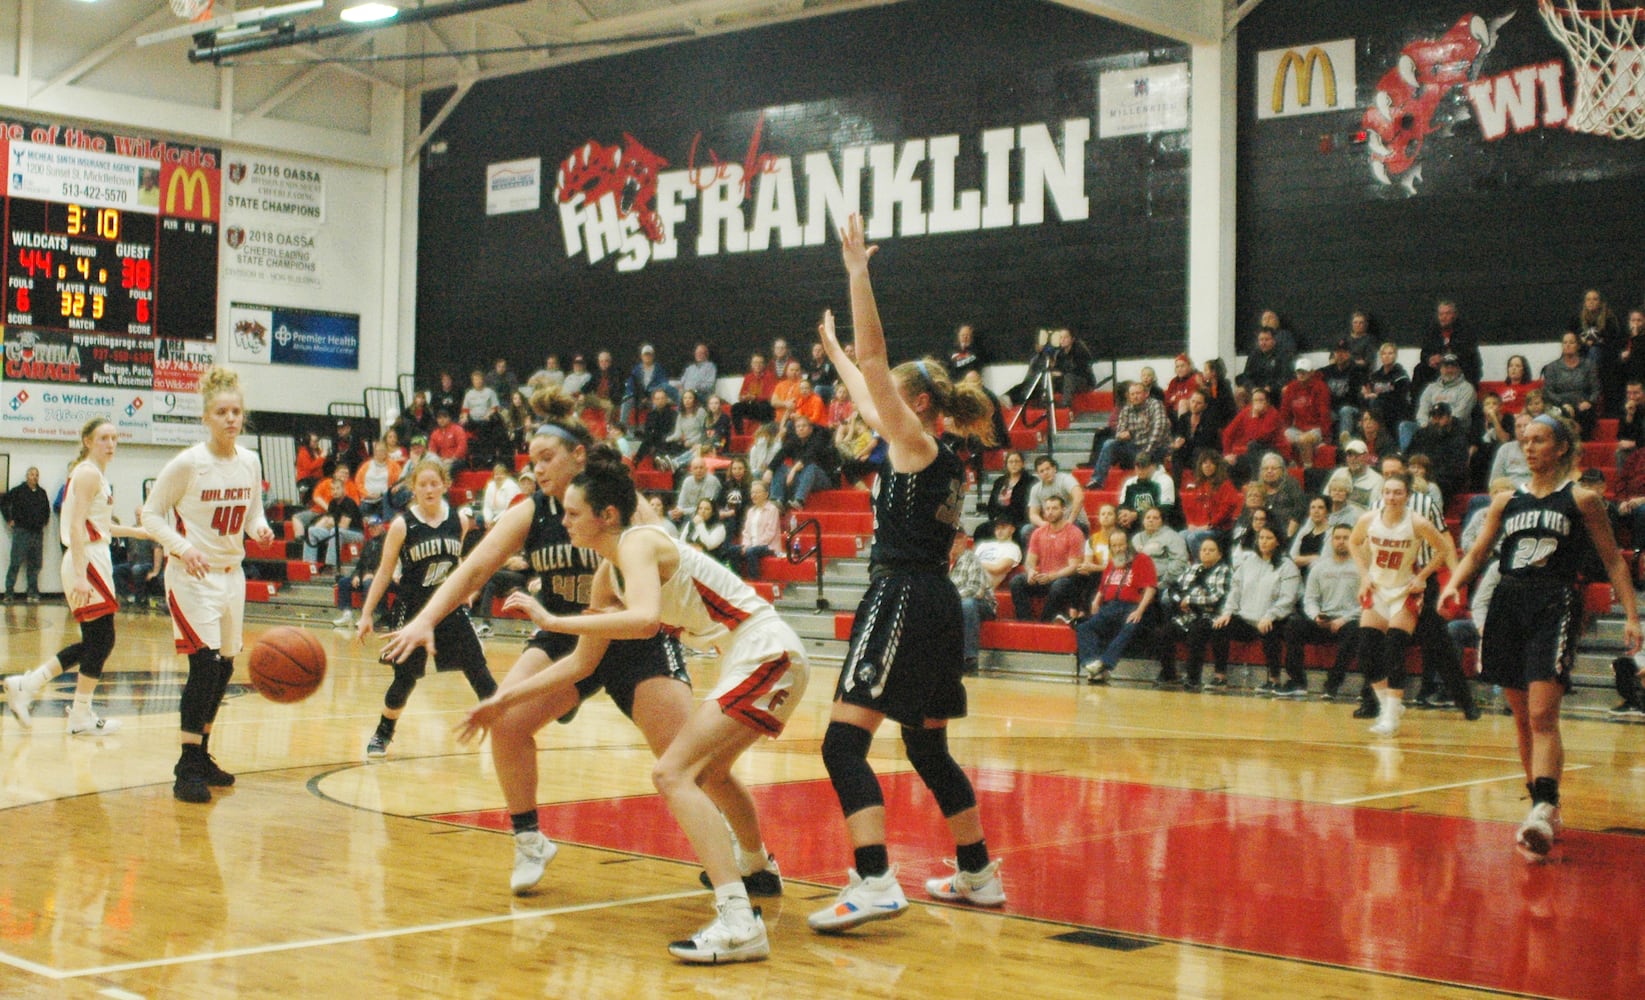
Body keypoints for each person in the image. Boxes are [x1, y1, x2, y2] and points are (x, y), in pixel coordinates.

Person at [381, 390, 749, 901]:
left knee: (689, 761)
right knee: (506, 724)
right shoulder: (531, 511)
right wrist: (424, 619)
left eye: (548, 458)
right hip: (565, 634)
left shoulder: (625, 505)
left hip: (633, 638)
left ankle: (745, 855)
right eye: (532, 462)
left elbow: (668, 573)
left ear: (579, 456)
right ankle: (529, 839)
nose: (539, 470)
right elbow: (475, 567)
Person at [467, 448, 808, 963]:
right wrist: (503, 700)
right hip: (763, 656)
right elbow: (582, 664)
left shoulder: (641, 542)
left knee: (673, 774)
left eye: (573, 513)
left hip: (764, 649)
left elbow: (646, 619)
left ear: (606, 515)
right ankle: (757, 867)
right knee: (709, 773)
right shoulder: (609, 573)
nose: (563, 521)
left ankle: (739, 921)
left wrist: (554, 621)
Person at [807, 214, 1004, 933]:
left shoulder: (917, 442)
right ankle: (978, 872)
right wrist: (833, 351)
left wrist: (858, 274)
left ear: (917, 401)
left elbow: (876, 355)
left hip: (899, 596)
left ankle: (873, 880)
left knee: (840, 743)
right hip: (934, 603)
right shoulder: (925, 449)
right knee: (924, 743)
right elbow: (866, 389)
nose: (879, 396)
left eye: (893, 390)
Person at [1441, 413, 1642, 860]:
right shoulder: (1504, 501)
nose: (1529, 447)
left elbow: (1612, 561)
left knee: (1542, 714)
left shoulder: (1583, 499)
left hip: (1555, 603)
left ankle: (1542, 807)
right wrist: (1454, 582)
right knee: (1521, 718)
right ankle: (1542, 806)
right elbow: (1477, 551)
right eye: (1525, 440)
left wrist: (1631, 614)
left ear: (1562, 448)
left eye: (1539, 440)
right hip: (1508, 604)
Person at [141, 367, 276, 803]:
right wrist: (182, 549)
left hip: (231, 576)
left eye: (237, 411)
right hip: (191, 578)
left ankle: (202, 753)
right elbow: (150, 515)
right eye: (222, 412)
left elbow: (254, 512)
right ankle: (185, 765)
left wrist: (260, 529)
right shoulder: (188, 464)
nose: (231, 418)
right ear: (206, 417)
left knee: (224, 668)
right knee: (203, 666)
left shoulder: (251, 461)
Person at [3, 420, 147, 734]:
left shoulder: (97, 475)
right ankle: (76, 713)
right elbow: (77, 527)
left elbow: (100, 526)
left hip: (94, 557)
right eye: (103, 438)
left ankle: (27, 685)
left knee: (96, 641)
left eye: (114, 438)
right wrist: (81, 575)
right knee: (103, 639)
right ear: (87, 441)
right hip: (87, 561)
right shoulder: (87, 473)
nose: (111, 444)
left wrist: (137, 531)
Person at [353, 459, 494, 760]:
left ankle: (504, 726)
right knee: (405, 680)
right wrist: (366, 614)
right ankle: (383, 734)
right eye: (422, 484)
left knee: (478, 669)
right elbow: (383, 572)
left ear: (445, 485)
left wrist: (465, 588)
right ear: (413, 489)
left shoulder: (460, 520)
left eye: (434, 483)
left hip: (448, 609)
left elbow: (459, 559)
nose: (429, 489)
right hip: (412, 611)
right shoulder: (404, 525)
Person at [1348, 473, 1454, 737]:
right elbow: (1352, 541)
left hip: (1404, 590)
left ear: (1407, 495)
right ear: (1381, 494)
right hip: (1378, 589)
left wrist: (1422, 576)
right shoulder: (1369, 520)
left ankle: (1390, 716)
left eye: (1398, 492)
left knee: (1395, 648)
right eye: (1388, 492)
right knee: (1366, 652)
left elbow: (1443, 550)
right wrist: (1364, 576)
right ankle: (1389, 706)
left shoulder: (1417, 522)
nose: (1392, 497)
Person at [1211, 525, 1300, 694]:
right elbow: (1235, 590)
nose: (1264, 542)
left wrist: (1270, 615)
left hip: (1273, 617)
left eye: (1269, 538)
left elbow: (1288, 598)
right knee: (1219, 627)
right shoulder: (1248, 563)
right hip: (1246, 618)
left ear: (1278, 542)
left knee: (1270, 630)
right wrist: (1227, 612)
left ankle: (1274, 679)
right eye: (1261, 538)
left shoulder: (1287, 566)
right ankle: (1219, 676)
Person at [1283, 523, 1362, 700]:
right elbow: (1310, 599)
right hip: (1324, 620)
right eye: (1337, 538)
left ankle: (1332, 684)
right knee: (1293, 625)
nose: (1341, 542)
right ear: (1331, 541)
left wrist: (1344, 619)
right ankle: (1297, 682)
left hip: (1348, 622)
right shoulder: (1319, 567)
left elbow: (1367, 602)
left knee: (1356, 630)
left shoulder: (1361, 567)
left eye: (1346, 538)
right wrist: (1316, 615)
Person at [1074, 529, 1157, 683]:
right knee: (1085, 627)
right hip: (1110, 606)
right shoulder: (1113, 562)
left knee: (1130, 626)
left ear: (1128, 544)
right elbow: (1103, 586)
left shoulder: (1143, 560)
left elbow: (1150, 587)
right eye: (1114, 546)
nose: (1118, 549)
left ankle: (1104, 664)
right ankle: (1093, 664)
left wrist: (1139, 610)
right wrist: (1096, 601)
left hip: (1131, 606)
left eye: (1121, 545)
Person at [1155, 535, 1234, 690]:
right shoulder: (1192, 568)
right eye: (1204, 549)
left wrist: (1190, 599)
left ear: (1219, 554)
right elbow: (1174, 590)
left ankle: (1193, 678)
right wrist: (1179, 601)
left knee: (1196, 632)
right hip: (1188, 615)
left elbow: (1217, 597)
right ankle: (1170, 674)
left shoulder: (1224, 570)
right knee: (1163, 632)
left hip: (1211, 616)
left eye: (1211, 550)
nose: (1206, 553)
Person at [1009, 495, 1085, 622]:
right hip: (1045, 578)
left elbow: (1074, 567)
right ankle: (1025, 622)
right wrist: (1031, 571)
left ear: (1064, 510)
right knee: (1017, 581)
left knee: (1060, 584)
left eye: (1054, 508)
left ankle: (1045, 622)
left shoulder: (1074, 533)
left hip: (1066, 580)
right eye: (1047, 508)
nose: (1050, 512)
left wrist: (1052, 576)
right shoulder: (1038, 533)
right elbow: (1030, 561)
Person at [1086, 380, 1170, 491]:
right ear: (1129, 396)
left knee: (1156, 446)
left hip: (1153, 449)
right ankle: (1097, 480)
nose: (1135, 397)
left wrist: (1146, 451)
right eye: (1132, 394)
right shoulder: (1126, 409)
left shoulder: (1155, 405)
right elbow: (1119, 432)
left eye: (1138, 393)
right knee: (1109, 443)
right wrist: (1122, 435)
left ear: (1146, 394)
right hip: (1134, 449)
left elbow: (1159, 428)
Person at [764, 414, 838, 509]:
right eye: (798, 426)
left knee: (811, 467)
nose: (800, 429)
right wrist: (770, 470)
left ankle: (799, 501)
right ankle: (776, 500)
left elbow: (809, 456)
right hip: (802, 477)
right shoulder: (794, 440)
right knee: (779, 466)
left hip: (822, 479)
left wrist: (793, 470)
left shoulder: (818, 439)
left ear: (811, 428)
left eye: (804, 426)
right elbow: (781, 454)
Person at [949, 528, 994, 675]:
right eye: (951, 539)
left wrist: (949, 599)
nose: (953, 543)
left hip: (983, 605)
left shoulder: (972, 559)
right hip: (955, 603)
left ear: (964, 541)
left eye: (957, 539)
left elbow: (975, 590)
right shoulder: (941, 563)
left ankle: (970, 658)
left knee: (967, 604)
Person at [3, 465, 51, 603]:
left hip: (37, 533)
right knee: (15, 563)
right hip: (21, 532)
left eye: (36, 475)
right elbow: (4, 502)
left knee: (35, 565)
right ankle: (9, 593)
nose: (34, 477)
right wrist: (9, 519)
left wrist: (45, 520)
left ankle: (33, 593)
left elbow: (47, 509)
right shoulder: (18, 491)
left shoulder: (42, 493)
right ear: (27, 476)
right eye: (31, 474)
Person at [1541, 331, 1601, 439]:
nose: (1567, 345)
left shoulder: (1589, 365)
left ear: (1578, 346)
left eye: (1571, 342)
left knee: (1586, 413)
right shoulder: (1552, 367)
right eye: (1565, 343)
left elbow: (1596, 389)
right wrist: (1563, 404)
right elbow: (1548, 391)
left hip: (1582, 404)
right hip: (1560, 404)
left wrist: (1589, 401)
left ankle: (1581, 441)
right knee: (1560, 413)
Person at [1179, 450, 1242, 554]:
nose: (1207, 466)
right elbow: (1191, 508)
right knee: (1181, 536)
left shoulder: (1225, 485)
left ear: (1217, 466)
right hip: (1201, 526)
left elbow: (1226, 509)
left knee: (1193, 538)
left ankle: (1202, 565)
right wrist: (1191, 524)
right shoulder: (1199, 485)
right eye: (1204, 463)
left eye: (1211, 463)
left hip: (1219, 529)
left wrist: (1209, 525)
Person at [1573, 288, 1624, 413]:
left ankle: (1592, 380)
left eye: (1595, 299)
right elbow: (1573, 338)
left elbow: (1614, 340)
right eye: (1588, 299)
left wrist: (1596, 342)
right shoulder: (1577, 319)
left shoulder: (1609, 318)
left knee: (1595, 351)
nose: (1591, 302)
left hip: (1605, 356)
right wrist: (1585, 343)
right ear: (1585, 302)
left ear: (1600, 302)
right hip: (1583, 355)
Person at [1414, 299, 1482, 390]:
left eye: (1447, 313)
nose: (1443, 317)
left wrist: (1444, 358)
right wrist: (1430, 359)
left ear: (1454, 315)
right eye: (1441, 314)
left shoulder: (1466, 330)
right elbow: (1424, 353)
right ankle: (1418, 403)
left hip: (1460, 367)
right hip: (1437, 370)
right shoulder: (1432, 331)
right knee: (1419, 369)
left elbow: (1468, 354)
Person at [1280, 358, 1332, 469]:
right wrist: (1284, 428)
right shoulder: (1291, 388)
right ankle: (1289, 466)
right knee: (1280, 437)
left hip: (1316, 429)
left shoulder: (1320, 387)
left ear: (1311, 372)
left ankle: (1308, 469)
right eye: (1299, 372)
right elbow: (1285, 413)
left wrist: (1325, 436)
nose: (1301, 374)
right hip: (1297, 429)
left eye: (1304, 372)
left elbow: (1324, 413)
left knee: (1304, 440)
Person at [725, 479, 780, 579]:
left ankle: (754, 580)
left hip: (768, 545)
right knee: (732, 550)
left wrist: (753, 545)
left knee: (751, 551)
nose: (753, 495)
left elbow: (770, 533)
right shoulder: (751, 511)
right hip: (751, 545)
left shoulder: (772, 509)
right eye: (752, 493)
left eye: (757, 492)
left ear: (766, 494)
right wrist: (746, 545)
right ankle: (737, 578)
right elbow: (746, 532)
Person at [1026, 455, 1087, 543]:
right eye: (1041, 471)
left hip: (1074, 521)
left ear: (1054, 468)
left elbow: (1079, 497)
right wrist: (1044, 524)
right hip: (1051, 523)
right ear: (1038, 474)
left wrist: (1069, 522)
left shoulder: (1065, 479)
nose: (1045, 473)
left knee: (1073, 530)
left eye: (1048, 469)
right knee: (1026, 531)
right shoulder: (1036, 489)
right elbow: (1033, 515)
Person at [1132, 506, 1188, 584]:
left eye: (1155, 518)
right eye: (1148, 518)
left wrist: (1164, 581)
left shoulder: (1171, 536)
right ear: (1143, 521)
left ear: (1161, 521)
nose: (1151, 520)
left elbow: (1180, 561)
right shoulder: (1136, 538)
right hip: (1138, 581)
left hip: (1162, 581)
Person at [1361, 342, 1412, 428]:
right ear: (1381, 356)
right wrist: (1365, 394)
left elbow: (1399, 397)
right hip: (1376, 407)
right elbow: (1367, 392)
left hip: (1395, 410)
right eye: (1384, 354)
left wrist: (1377, 396)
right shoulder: (1375, 376)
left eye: (1390, 353)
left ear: (1395, 356)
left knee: (1376, 403)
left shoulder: (1401, 376)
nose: (1387, 356)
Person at [1237, 327, 1293, 401]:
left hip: (1275, 390)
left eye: (1266, 339)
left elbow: (1285, 377)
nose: (1263, 343)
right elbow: (1246, 376)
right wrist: (1253, 388)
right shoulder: (1253, 356)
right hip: (1256, 389)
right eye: (1261, 340)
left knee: (1285, 390)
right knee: (1239, 392)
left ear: (1273, 341)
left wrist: (1271, 388)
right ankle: (1245, 413)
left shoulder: (1282, 354)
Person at [730, 353, 777, 431]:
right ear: (751, 365)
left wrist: (755, 397)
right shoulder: (748, 377)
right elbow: (742, 393)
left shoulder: (770, 376)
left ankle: (765, 432)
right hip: (752, 405)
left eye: (760, 363)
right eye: (755, 363)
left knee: (764, 406)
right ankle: (739, 433)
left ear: (764, 364)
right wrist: (743, 397)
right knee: (736, 407)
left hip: (765, 407)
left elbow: (771, 396)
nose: (758, 365)